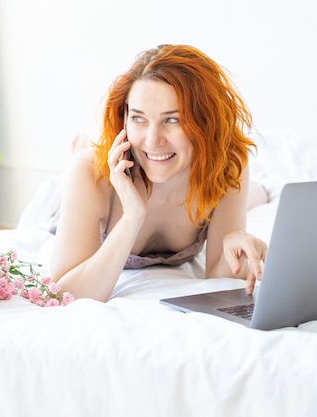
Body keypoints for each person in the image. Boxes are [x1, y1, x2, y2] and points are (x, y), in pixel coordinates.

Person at [50, 44, 268, 302]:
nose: (153, 140)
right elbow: (65, 294)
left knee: (260, 194)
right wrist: (132, 216)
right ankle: (84, 145)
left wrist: (237, 247)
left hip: (200, 170)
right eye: (139, 118)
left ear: (205, 122)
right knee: (86, 157)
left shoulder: (226, 165)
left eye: (172, 120)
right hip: (91, 183)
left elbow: (219, 274)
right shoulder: (90, 174)